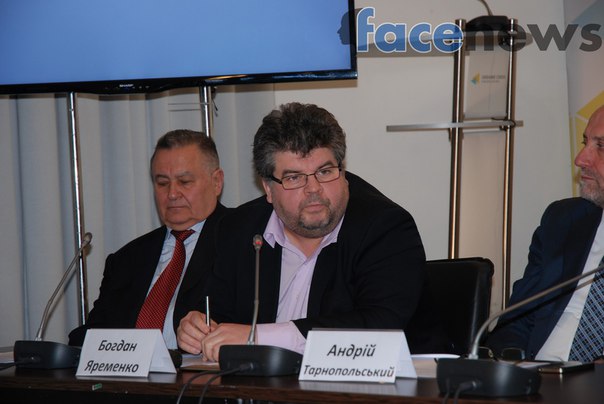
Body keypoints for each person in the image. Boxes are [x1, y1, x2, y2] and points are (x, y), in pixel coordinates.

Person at [177, 102, 441, 361]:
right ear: (268, 188)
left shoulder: (386, 228)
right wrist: (199, 327)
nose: (313, 189)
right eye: (294, 177)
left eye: (324, 172)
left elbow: (379, 326)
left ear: (342, 171)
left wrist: (258, 337)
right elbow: (217, 313)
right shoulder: (239, 229)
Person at [68, 129, 227, 349]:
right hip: (128, 369)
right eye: (162, 183)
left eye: (184, 181)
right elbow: (92, 334)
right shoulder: (126, 259)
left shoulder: (243, 242)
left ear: (216, 182)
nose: (172, 194)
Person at [486, 105, 604, 362]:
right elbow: (515, 322)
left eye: (601, 146)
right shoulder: (563, 221)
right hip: (539, 375)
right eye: (585, 142)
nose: (580, 159)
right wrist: (514, 370)